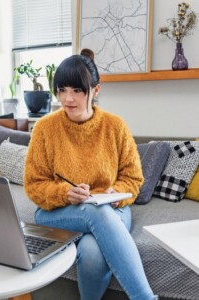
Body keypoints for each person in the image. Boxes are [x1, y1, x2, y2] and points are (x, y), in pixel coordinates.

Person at [24, 49, 157, 300]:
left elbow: (133, 178)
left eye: (77, 90)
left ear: (95, 90)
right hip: (59, 213)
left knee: (93, 252)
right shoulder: (44, 128)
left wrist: (115, 192)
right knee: (95, 210)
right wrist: (65, 193)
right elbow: (34, 184)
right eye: (62, 90)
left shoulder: (115, 126)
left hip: (112, 208)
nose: (68, 99)